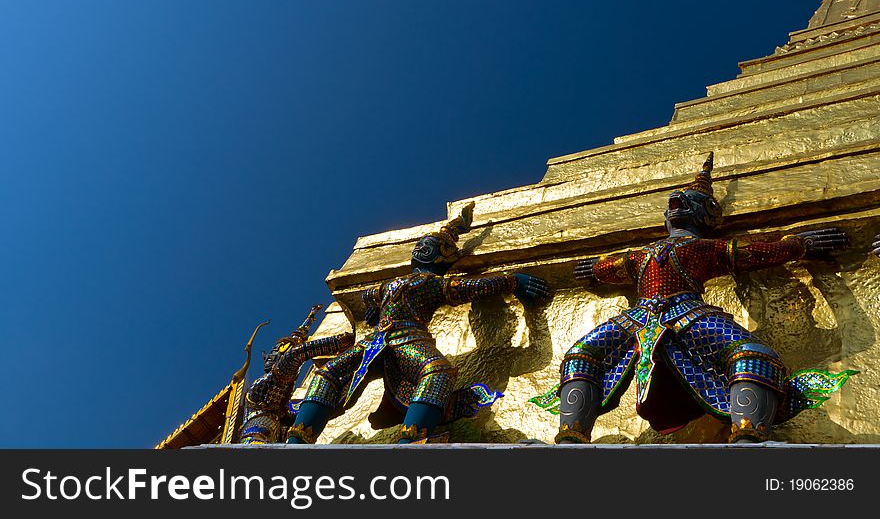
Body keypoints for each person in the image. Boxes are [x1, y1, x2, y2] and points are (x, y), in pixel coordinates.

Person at [531, 153, 855, 443]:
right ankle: (572, 434)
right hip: (639, 315)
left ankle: (748, 432)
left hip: (688, 314)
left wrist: (797, 245)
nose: (676, 202)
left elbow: (754, 253)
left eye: (686, 201)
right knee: (581, 354)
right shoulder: (642, 254)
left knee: (752, 354)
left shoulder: (706, 248)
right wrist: (595, 269)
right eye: (673, 202)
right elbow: (611, 267)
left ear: (706, 215)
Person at [287, 202, 550, 444]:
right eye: (420, 245)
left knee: (338, 372)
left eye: (429, 247)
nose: (420, 249)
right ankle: (298, 439)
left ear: (443, 256)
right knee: (334, 373)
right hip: (393, 338)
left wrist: (373, 310)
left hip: (393, 338)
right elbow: (467, 287)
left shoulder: (423, 283)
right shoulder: (408, 284)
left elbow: (468, 287)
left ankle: (411, 439)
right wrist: (512, 281)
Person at [240, 305, 354, 444]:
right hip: (256, 444)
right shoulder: (259, 389)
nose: (279, 356)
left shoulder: (280, 411)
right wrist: (340, 342)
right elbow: (295, 355)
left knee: (321, 385)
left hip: (274, 440)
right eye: (277, 352)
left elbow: (306, 411)